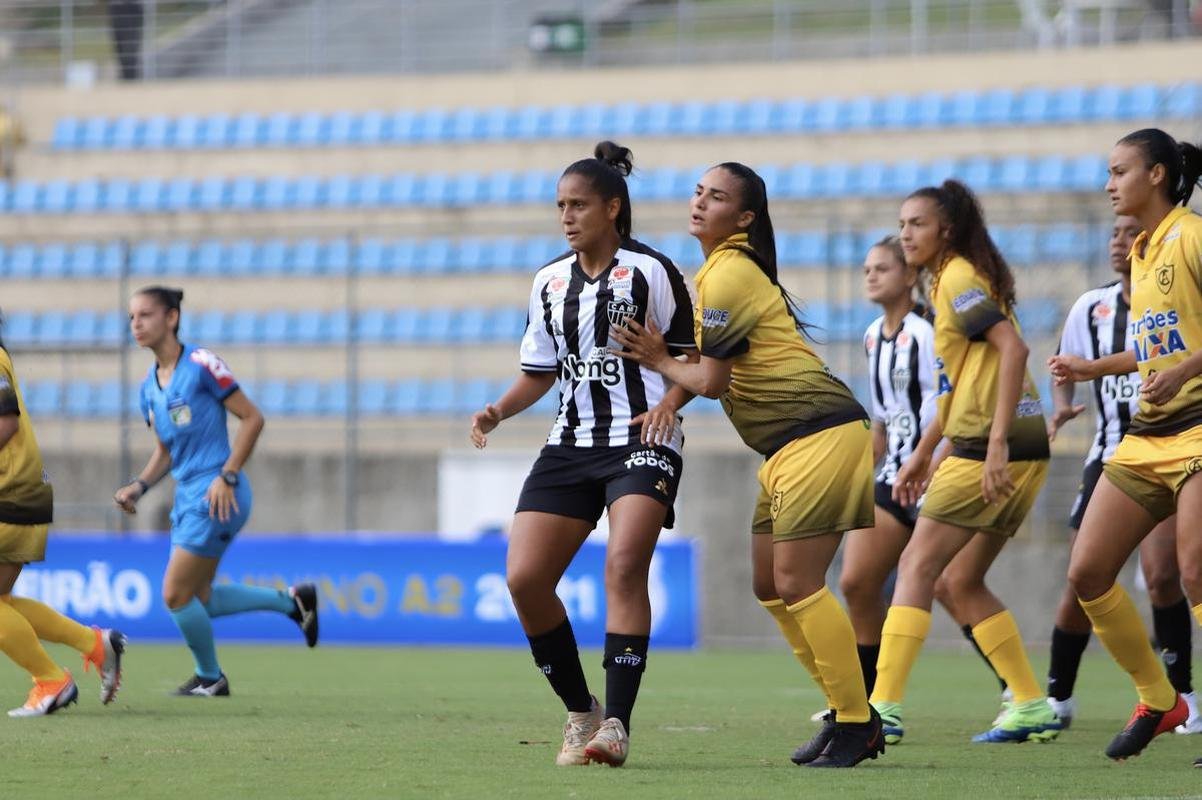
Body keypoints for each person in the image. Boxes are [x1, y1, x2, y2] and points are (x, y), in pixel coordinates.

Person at [613, 162, 884, 768]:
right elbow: (713, 369)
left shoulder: (729, 273)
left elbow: (710, 379)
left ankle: (858, 722)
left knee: (798, 583)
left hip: (818, 435)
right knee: (770, 585)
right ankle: (848, 712)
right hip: (788, 447)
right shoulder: (718, 272)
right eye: (698, 192)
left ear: (744, 219)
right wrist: (669, 391)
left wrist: (660, 360)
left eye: (717, 197)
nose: (700, 202)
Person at [469, 142, 697, 768]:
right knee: (523, 580)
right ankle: (581, 710)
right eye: (560, 206)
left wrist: (670, 401)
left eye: (578, 205)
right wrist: (499, 409)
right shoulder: (548, 282)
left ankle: (617, 726)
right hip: (569, 446)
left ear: (612, 208)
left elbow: (695, 360)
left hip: (641, 441)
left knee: (624, 564)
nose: (567, 216)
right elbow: (540, 372)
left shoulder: (651, 271)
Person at [868, 179, 1060, 744]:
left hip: (993, 447)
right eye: (902, 224)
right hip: (1018, 445)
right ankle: (1030, 702)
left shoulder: (954, 280)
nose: (906, 234)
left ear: (945, 231)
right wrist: (924, 455)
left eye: (917, 224)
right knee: (959, 579)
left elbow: (1014, 350)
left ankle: (884, 709)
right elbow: (959, 383)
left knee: (916, 568)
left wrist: (994, 443)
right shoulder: (952, 279)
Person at [1050, 128, 1202, 761]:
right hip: (1146, 435)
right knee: (1086, 572)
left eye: (1120, 171)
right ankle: (1162, 698)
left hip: (1198, 426)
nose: (1109, 184)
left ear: (1158, 175)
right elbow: (1156, 345)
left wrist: (1188, 370)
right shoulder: (1143, 250)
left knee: (1193, 571)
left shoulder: (1193, 236)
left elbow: (1180, 355)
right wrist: (1095, 368)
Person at [113, 287, 319, 697]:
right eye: (132, 316)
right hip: (188, 498)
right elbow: (166, 451)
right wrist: (139, 485)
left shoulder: (201, 364)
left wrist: (227, 475)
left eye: (145, 315)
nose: (136, 323)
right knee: (198, 599)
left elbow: (252, 418)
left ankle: (210, 677)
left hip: (217, 495)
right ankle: (292, 602)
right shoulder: (148, 389)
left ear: (171, 318)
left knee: (174, 594)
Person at [841, 235, 1010, 715]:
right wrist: (860, 473)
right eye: (867, 268)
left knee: (952, 584)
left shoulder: (931, 330)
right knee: (856, 581)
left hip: (938, 471)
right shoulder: (874, 334)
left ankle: (1014, 686)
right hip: (895, 475)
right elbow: (883, 418)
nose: (871, 275)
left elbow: (957, 400)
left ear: (910, 276)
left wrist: (938, 458)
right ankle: (865, 701)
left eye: (883, 268)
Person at [0, 312, 125, 717]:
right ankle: (92, 643)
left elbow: (6, 423)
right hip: (22, 490)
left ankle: (52, 680)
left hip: (10, 492)